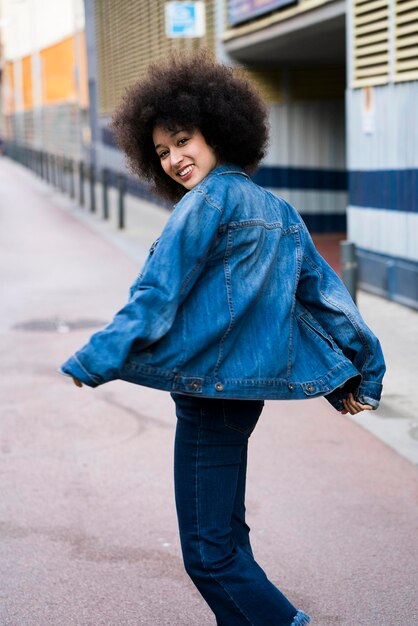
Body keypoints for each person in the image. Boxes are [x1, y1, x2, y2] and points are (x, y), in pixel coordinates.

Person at [59, 52, 385, 625]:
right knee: (227, 539)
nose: (174, 159)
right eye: (161, 151)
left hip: (210, 395)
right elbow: (325, 301)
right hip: (240, 397)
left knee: (209, 556)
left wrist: (100, 354)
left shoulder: (206, 202)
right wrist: (359, 372)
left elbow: (158, 291)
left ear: (216, 130)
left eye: (183, 141)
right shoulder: (279, 209)